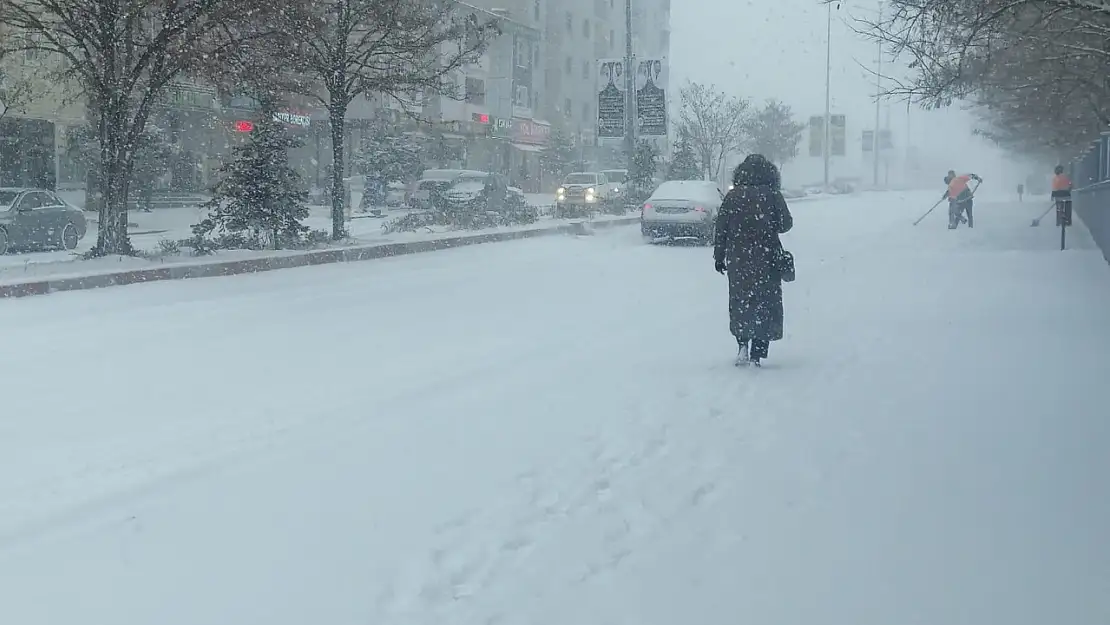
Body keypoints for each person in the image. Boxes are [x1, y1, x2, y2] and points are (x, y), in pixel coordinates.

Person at [713, 154, 793, 367]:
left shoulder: (733, 197)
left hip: (738, 260)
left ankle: (742, 346)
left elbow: (721, 228)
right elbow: (786, 224)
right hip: (767, 259)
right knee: (765, 304)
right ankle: (758, 352)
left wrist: (719, 257)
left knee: (741, 302)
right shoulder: (772, 195)